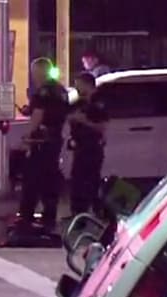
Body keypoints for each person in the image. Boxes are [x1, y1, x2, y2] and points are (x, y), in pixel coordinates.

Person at [17, 58, 69, 234]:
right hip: (55, 140)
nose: (33, 78)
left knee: (32, 180)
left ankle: (26, 219)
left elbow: (39, 114)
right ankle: (49, 219)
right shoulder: (61, 90)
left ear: (39, 72)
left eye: (34, 74)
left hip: (40, 142)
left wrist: (28, 135)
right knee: (50, 181)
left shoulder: (42, 92)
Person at [67, 72, 109, 216]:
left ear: (88, 84)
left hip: (92, 148)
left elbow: (102, 126)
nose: (76, 88)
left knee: (91, 181)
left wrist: (83, 121)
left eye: (79, 85)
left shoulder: (99, 102)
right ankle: (78, 212)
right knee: (77, 180)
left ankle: (97, 212)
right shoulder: (80, 102)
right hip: (80, 147)